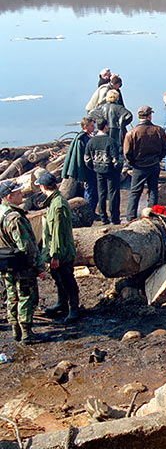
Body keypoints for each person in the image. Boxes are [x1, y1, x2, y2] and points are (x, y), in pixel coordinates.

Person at [0, 180, 46, 344]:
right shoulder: (15, 218)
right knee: (25, 296)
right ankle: (26, 332)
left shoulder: (1, 212)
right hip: (21, 264)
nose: (22, 194)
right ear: (8, 197)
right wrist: (39, 267)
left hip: (5, 263)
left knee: (11, 296)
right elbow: (27, 247)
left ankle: (15, 330)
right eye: (18, 193)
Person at [36, 171, 80, 323]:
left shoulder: (58, 205)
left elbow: (57, 233)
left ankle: (74, 308)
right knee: (58, 278)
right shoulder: (54, 201)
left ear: (43, 187)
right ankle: (62, 303)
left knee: (67, 279)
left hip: (62, 251)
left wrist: (56, 255)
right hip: (57, 249)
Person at [124, 106, 166, 221]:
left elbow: (127, 153)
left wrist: (132, 163)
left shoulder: (131, 133)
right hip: (153, 164)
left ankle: (130, 217)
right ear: (149, 116)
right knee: (153, 190)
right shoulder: (158, 130)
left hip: (139, 166)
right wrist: (158, 158)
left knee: (135, 191)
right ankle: (152, 214)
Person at [85, 118, 124, 225]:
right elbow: (116, 160)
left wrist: (93, 167)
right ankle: (115, 218)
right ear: (106, 126)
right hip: (111, 172)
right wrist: (118, 169)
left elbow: (87, 159)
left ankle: (103, 217)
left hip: (98, 171)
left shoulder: (91, 141)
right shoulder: (110, 141)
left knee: (101, 194)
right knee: (113, 194)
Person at [62, 117, 98, 216]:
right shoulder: (82, 138)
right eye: (91, 125)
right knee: (91, 191)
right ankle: (90, 212)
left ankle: (90, 211)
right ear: (85, 126)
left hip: (87, 169)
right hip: (88, 169)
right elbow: (87, 154)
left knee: (90, 190)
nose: (94, 127)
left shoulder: (85, 137)